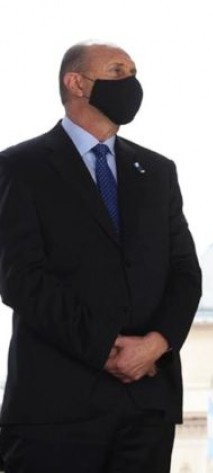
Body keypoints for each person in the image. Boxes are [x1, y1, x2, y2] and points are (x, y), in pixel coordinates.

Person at [0, 42, 201, 473]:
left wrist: (157, 344)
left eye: (133, 71)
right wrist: (105, 349)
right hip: (55, 409)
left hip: (146, 406)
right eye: (117, 70)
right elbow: (21, 278)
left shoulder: (158, 172)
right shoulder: (20, 167)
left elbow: (185, 271)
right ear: (76, 83)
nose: (130, 82)